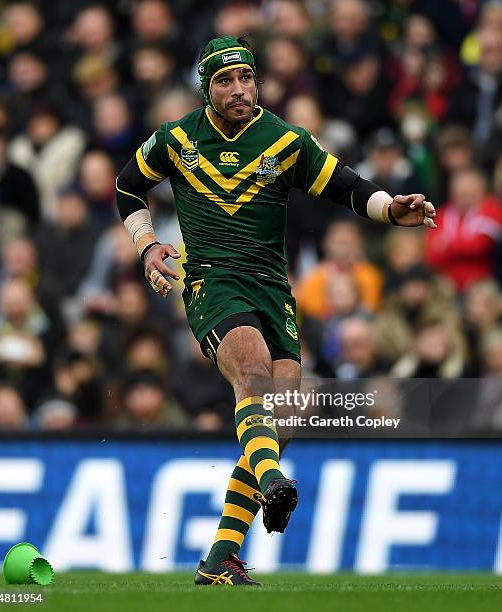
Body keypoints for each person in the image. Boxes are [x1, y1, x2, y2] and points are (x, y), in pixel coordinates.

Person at [115, 35, 437, 586]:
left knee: (278, 415)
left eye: (245, 78)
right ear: (207, 88)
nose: (237, 90)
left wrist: (393, 209)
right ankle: (272, 481)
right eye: (224, 81)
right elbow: (126, 188)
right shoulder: (174, 139)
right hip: (212, 281)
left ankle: (220, 556)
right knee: (255, 378)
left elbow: (350, 188)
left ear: (257, 81)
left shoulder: (286, 141)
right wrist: (148, 245)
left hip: (273, 288)